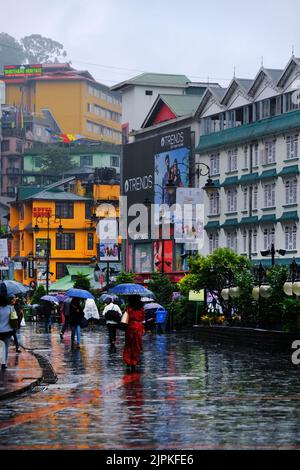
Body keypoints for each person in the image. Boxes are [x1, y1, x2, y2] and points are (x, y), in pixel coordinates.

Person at [123, 295, 145, 372]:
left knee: (129, 344)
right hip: (139, 327)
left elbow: (125, 319)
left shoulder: (129, 308)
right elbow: (143, 318)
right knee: (137, 345)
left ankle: (128, 361)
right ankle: (134, 362)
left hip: (130, 327)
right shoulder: (141, 308)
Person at [0, 295, 14, 370]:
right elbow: (14, 318)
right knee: (5, 347)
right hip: (8, 331)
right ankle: (4, 363)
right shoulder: (10, 308)